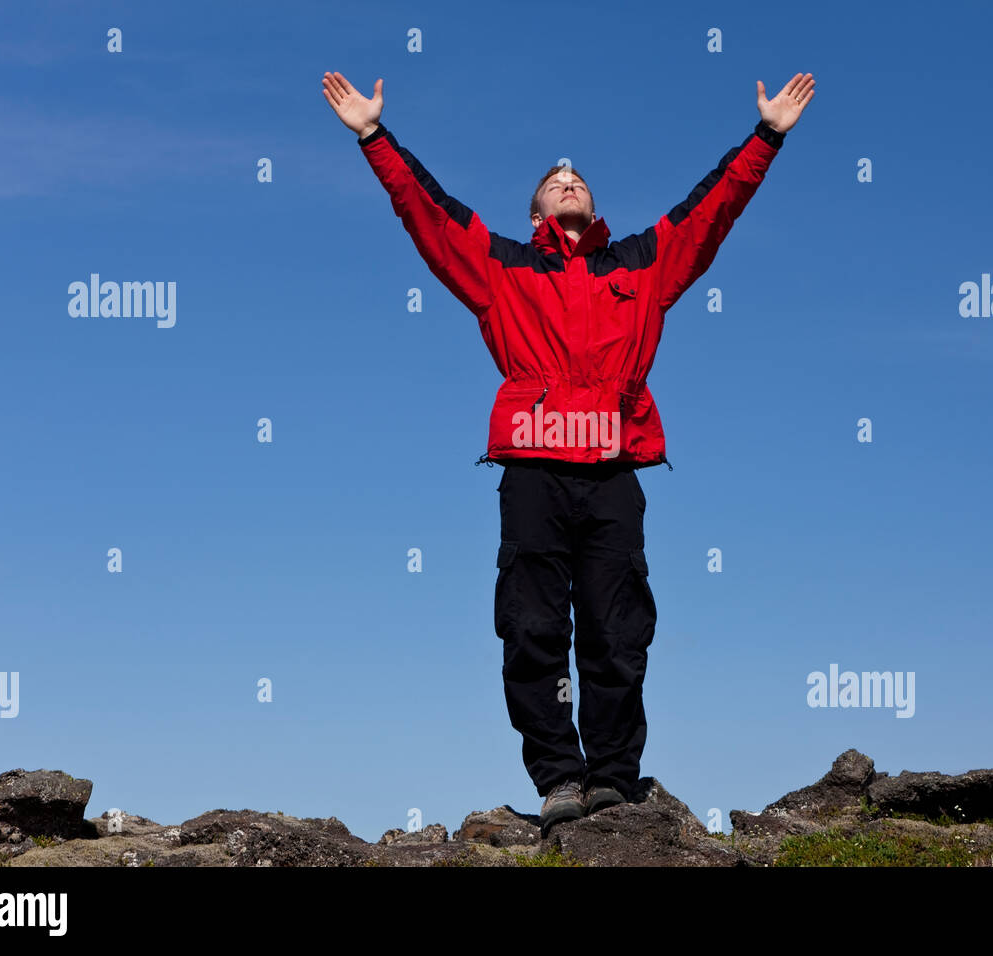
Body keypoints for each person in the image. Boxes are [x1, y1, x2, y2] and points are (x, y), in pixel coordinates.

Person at [322, 70, 815, 836]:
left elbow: (713, 210)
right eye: (555, 180)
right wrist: (373, 135)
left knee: (620, 632)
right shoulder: (503, 268)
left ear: (594, 205)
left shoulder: (643, 264)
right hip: (534, 471)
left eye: (578, 177)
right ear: (536, 211)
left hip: (613, 470)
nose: (568, 179)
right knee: (531, 628)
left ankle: (614, 780)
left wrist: (768, 136)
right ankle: (558, 778)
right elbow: (427, 211)